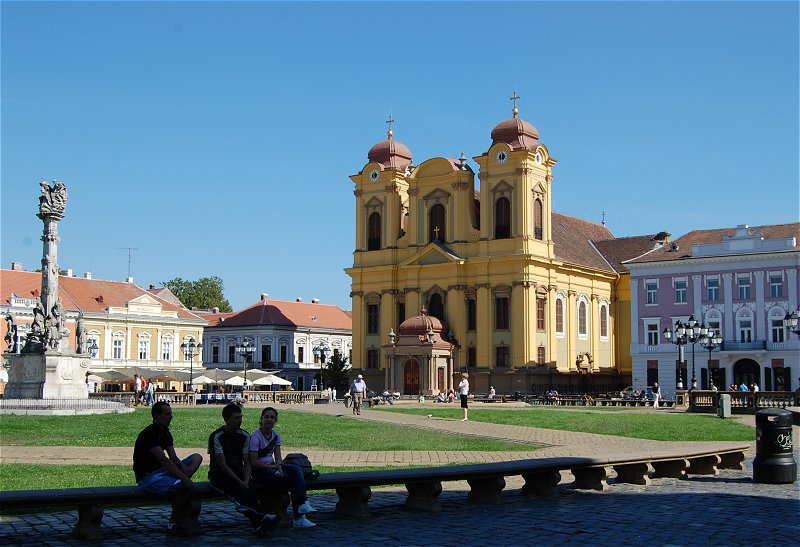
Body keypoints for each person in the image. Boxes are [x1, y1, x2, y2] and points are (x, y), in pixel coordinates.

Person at [208, 403, 280, 537]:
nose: (240, 420)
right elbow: (222, 464)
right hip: (220, 476)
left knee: (251, 492)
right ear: (226, 419)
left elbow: (247, 462)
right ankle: (263, 517)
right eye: (236, 418)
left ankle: (260, 524)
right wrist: (239, 481)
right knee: (239, 495)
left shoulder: (244, 435)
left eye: (241, 417)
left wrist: (246, 479)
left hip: (240, 473)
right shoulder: (216, 436)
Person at [133, 402, 203, 534]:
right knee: (183, 488)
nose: (171, 417)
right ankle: (173, 524)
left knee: (197, 457)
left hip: (163, 473)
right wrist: (185, 479)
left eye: (171, 413)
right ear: (157, 416)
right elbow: (164, 460)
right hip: (149, 477)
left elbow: (173, 458)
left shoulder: (165, 433)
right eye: (168, 414)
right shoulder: (149, 434)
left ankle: (181, 483)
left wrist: (184, 469)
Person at [249, 407, 316, 529]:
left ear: (275, 420)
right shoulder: (255, 437)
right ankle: (299, 515)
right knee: (290, 480)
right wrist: (273, 467)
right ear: (261, 419)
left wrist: (278, 467)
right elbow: (253, 462)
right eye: (266, 417)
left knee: (296, 469)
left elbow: (278, 458)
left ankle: (302, 505)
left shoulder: (275, 436)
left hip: (273, 467)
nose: (269, 420)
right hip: (261, 472)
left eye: (272, 417)